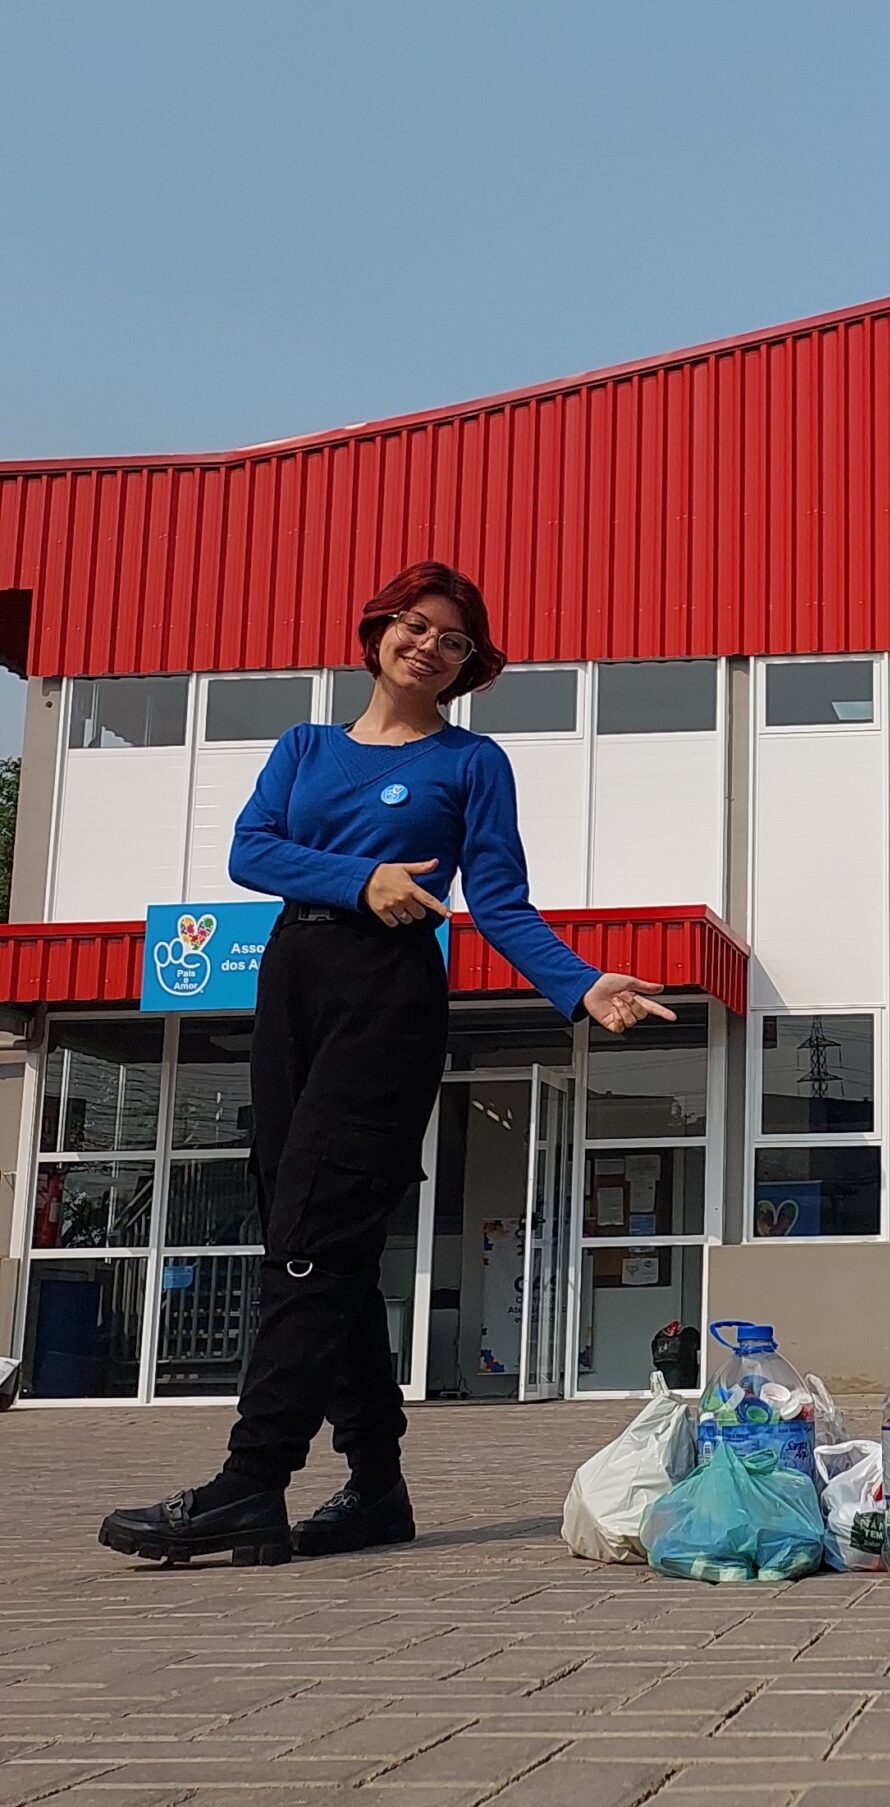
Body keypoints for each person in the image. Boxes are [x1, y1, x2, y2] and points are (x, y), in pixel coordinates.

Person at [99, 561, 672, 1566]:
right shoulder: (306, 747)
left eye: (453, 640)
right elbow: (251, 852)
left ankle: (253, 1479)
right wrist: (360, 876)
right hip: (294, 980)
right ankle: (375, 1486)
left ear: (467, 666)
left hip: (389, 996)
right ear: (376, 633)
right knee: (309, 1231)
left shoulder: (471, 765)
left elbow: (496, 901)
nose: (430, 647)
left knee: (316, 1230)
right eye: (416, 625)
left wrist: (579, 984)